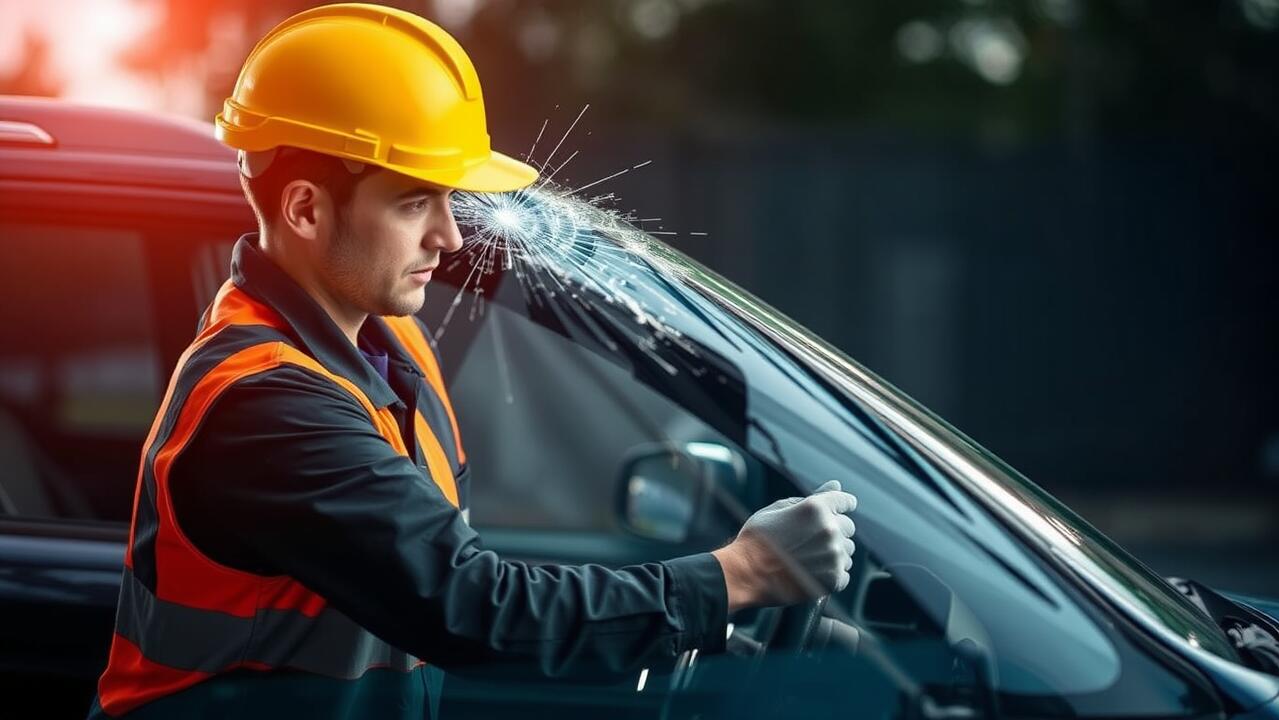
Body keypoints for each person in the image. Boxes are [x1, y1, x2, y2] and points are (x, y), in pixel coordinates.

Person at [87, 4, 857, 718]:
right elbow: (476, 608)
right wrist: (743, 574)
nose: (451, 239)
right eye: (413, 202)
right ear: (305, 209)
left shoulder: (383, 344)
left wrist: (714, 631)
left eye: (447, 201)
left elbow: (435, 565)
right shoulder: (268, 408)